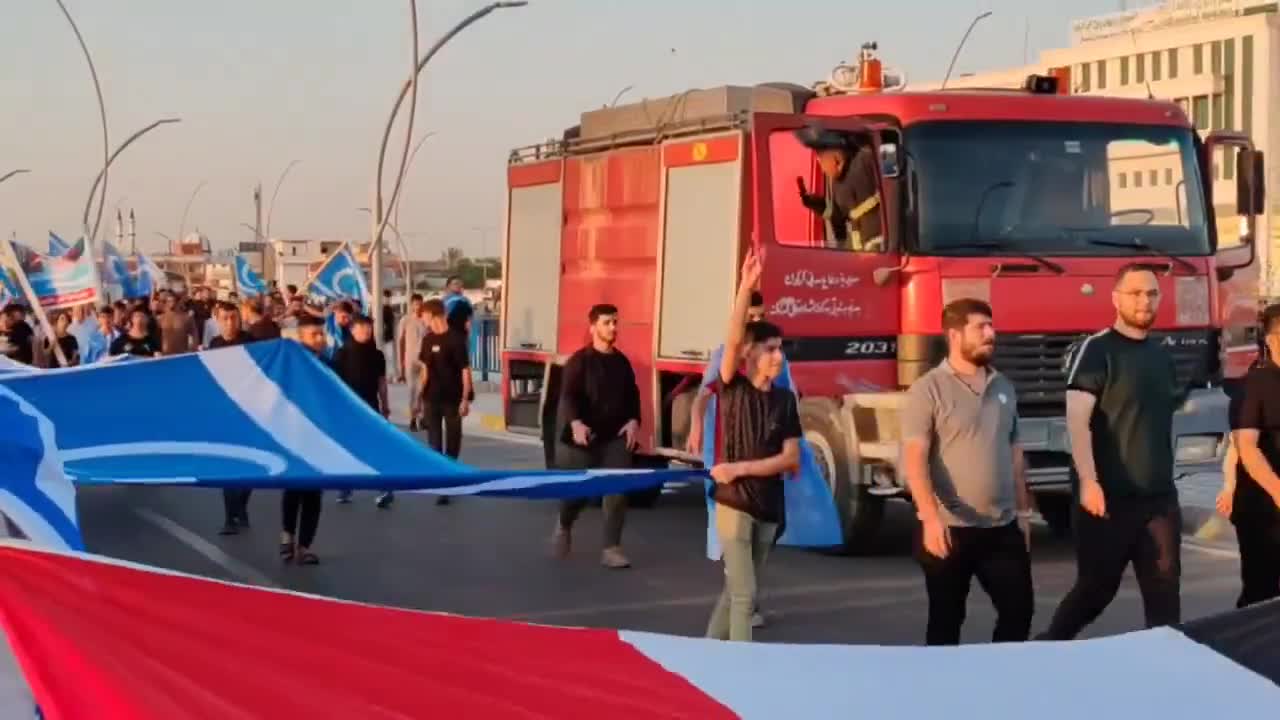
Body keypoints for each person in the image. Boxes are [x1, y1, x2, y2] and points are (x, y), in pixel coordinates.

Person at [1038, 264, 1183, 640]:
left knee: (1165, 591)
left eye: (1152, 293)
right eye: (1135, 293)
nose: (1144, 301)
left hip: (1159, 499)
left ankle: (1169, 671)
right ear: (1115, 298)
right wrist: (1089, 481)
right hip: (1107, 499)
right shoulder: (1097, 349)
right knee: (1096, 589)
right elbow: (1077, 421)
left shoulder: (1161, 355)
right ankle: (1046, 649)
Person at [901, 298, 1033, 646]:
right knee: (946, 621)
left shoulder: (1003, 386)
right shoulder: (927, 389)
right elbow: (914, 459)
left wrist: (1023, 512)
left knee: (1019, 611)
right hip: (949, 529)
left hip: (1001, 527)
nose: (991, 334)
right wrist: (929, 519)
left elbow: (1014, 452)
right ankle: (941, 691)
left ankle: (999, 681)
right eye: (981, 327)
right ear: (954, 335)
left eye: (991, 326)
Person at [704, 251, 801, 643]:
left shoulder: (785, 400)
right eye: (770, 349)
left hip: (768, 506)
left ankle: (708, 654)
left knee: (736, 592)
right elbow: (732, 337)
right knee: (746, 595)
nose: (778, 356)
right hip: (734, 504)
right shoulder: (733, 388)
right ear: (751, 355)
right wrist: (746, 286)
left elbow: (790, 458)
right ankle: (741, 674)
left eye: (781, 349)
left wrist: (741, 468)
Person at [551, 303, 641, 569]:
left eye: (615, 322)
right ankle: (565, 523)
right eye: (607, 323)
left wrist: (634, 421)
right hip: (584, 438)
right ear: (593, 327)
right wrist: (576, 423)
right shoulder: (580, 361)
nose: (613, 327)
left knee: (617, 489)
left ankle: (612, 548)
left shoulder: (622, 362)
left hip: (614, 437)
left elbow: (633, 395)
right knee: (578, 493)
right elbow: (568, 396)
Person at [1221, 303, 1280, 607]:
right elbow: (1245, 446)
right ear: (1269, 339)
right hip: (1262, 507)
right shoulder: (1254, 385)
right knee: (1262, 592)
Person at [413, 298, 473, 508]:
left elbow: (465, 371)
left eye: (424, 316)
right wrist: (418, 400)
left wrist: (466, 399)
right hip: (432, 398)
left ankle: (451, 475)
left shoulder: (456, 340)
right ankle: (443, 483)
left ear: (433, 315)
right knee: (434, 443)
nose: (423, 320)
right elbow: (425, 371)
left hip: (453, 398)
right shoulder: (427, 340)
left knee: (453, 440)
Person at [281, 314, 329, 564]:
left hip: (320, 438)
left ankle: (304, 545)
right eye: (314, 335)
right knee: (293, 488)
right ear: (301, 337)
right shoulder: (290, 364)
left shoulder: (329, 365)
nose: (320, 339)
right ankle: (287, 534)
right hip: (293, 434)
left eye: (322, 334)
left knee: (313, 494)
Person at [793, 127, 883, 251]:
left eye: (820, 159)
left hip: (881, 249)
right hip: (861, 254)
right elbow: (839, 215)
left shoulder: (865, 160)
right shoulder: (838, 183)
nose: (820, 165)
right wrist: (816, 204)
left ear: (836, 159)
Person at [333, 314, 390, 506]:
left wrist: (385, 405)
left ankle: (384, 488)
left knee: (378, 448)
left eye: (369, 327)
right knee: (349, 449)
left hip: (371, 406)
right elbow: (335, 383)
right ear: (352, 329)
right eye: (362, 327)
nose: (367, 330)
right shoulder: (342, 353)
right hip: (348, 409)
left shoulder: (377, 355)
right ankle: (345, 487)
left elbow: (381, 382)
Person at [398, 294, 427, 429]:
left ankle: (421, 417)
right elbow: (400, 341)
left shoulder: (426, 320)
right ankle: (412, 418)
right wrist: (401, 362)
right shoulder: (405, 320)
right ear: (411, 305)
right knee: (412, 390)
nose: (418, 306)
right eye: (415, 304)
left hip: (424, 359)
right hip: (410, 358)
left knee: (423, 389)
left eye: (420, 304)